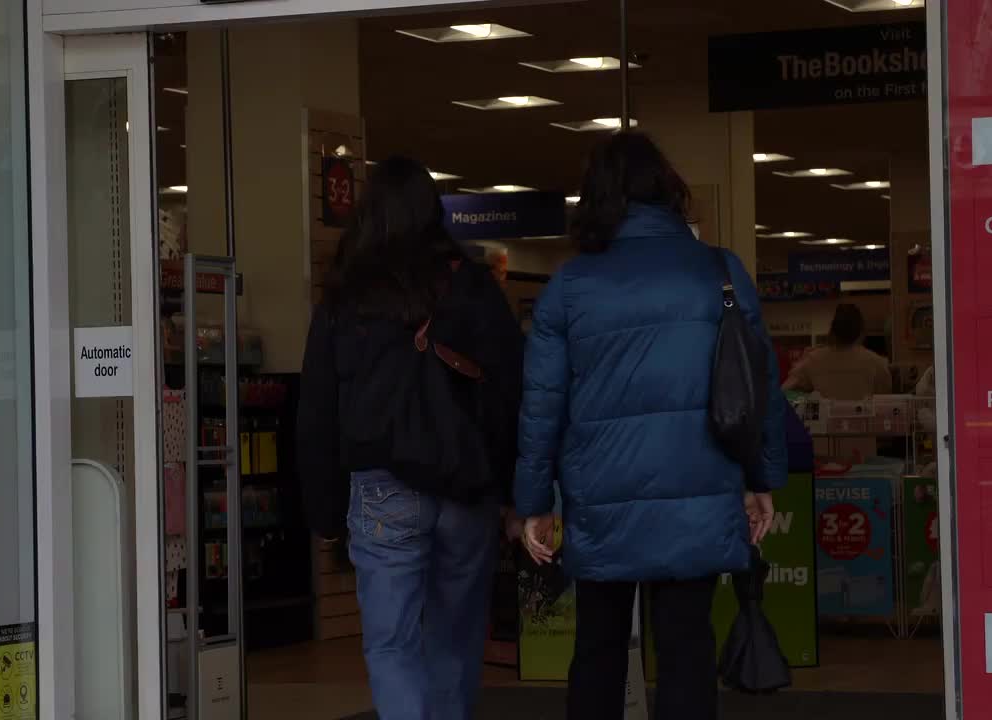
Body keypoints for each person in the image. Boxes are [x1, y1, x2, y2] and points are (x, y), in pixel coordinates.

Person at [513, 132, 787, 720]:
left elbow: (541, 406)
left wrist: (534, 503)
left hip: (601, 493)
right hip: (699, 482)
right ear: (667, 189)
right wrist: (760, 478)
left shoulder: (570, 285)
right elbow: (759, 385)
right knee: (687, 645)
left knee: (598, 644)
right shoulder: (720, 271)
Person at [296, 156, 524, 720]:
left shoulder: (345, 296)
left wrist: (325, 511)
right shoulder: (471, 285)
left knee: (391, 643)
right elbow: (511, 391)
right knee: (455, 636)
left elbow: (317, 409)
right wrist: (515, 490)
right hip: (466, 484)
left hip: (382, 488)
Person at [783, 303, 892, 400]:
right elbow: (886, 399)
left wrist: (809, 400)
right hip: (865, 417)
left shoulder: (813, 360)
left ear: (833, 331)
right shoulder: (877, 363)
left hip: (825, 417)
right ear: (861, 332)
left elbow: (786, 391)